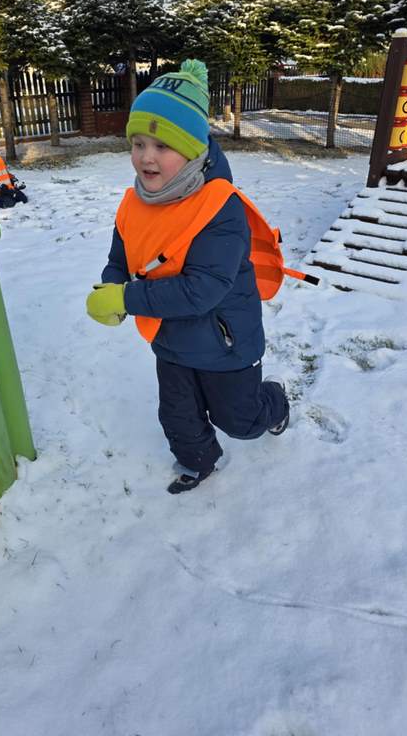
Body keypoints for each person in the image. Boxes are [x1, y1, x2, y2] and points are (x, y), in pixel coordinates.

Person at [86, 60, 289, 495]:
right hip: (170, 340)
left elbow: (203, 290)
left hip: (225, 342)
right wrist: (112, 285)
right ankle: (199, 462)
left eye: (163, 145)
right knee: (177, 415)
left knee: (241, 421)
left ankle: (274, 402)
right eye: (138, 143)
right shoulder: (135, 203)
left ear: (193, 150)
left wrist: (128, 299)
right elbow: (121, 257)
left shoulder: (220, 207)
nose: (146, 157)